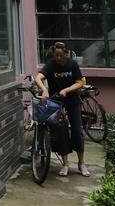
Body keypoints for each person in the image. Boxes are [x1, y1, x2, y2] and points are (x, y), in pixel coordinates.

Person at [34, 41, 90, 178]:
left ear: (66, 53)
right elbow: (38, 78)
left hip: (72, 101)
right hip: (56, 102)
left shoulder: (73, 65)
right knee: (61, 132)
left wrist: (66, 90)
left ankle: (81, 163)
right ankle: (65, 164)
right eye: (56, 55)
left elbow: (79, 83)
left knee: (77, 130)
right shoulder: (51, 65)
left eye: (60, 55)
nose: (58, 58)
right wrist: (44, 90)